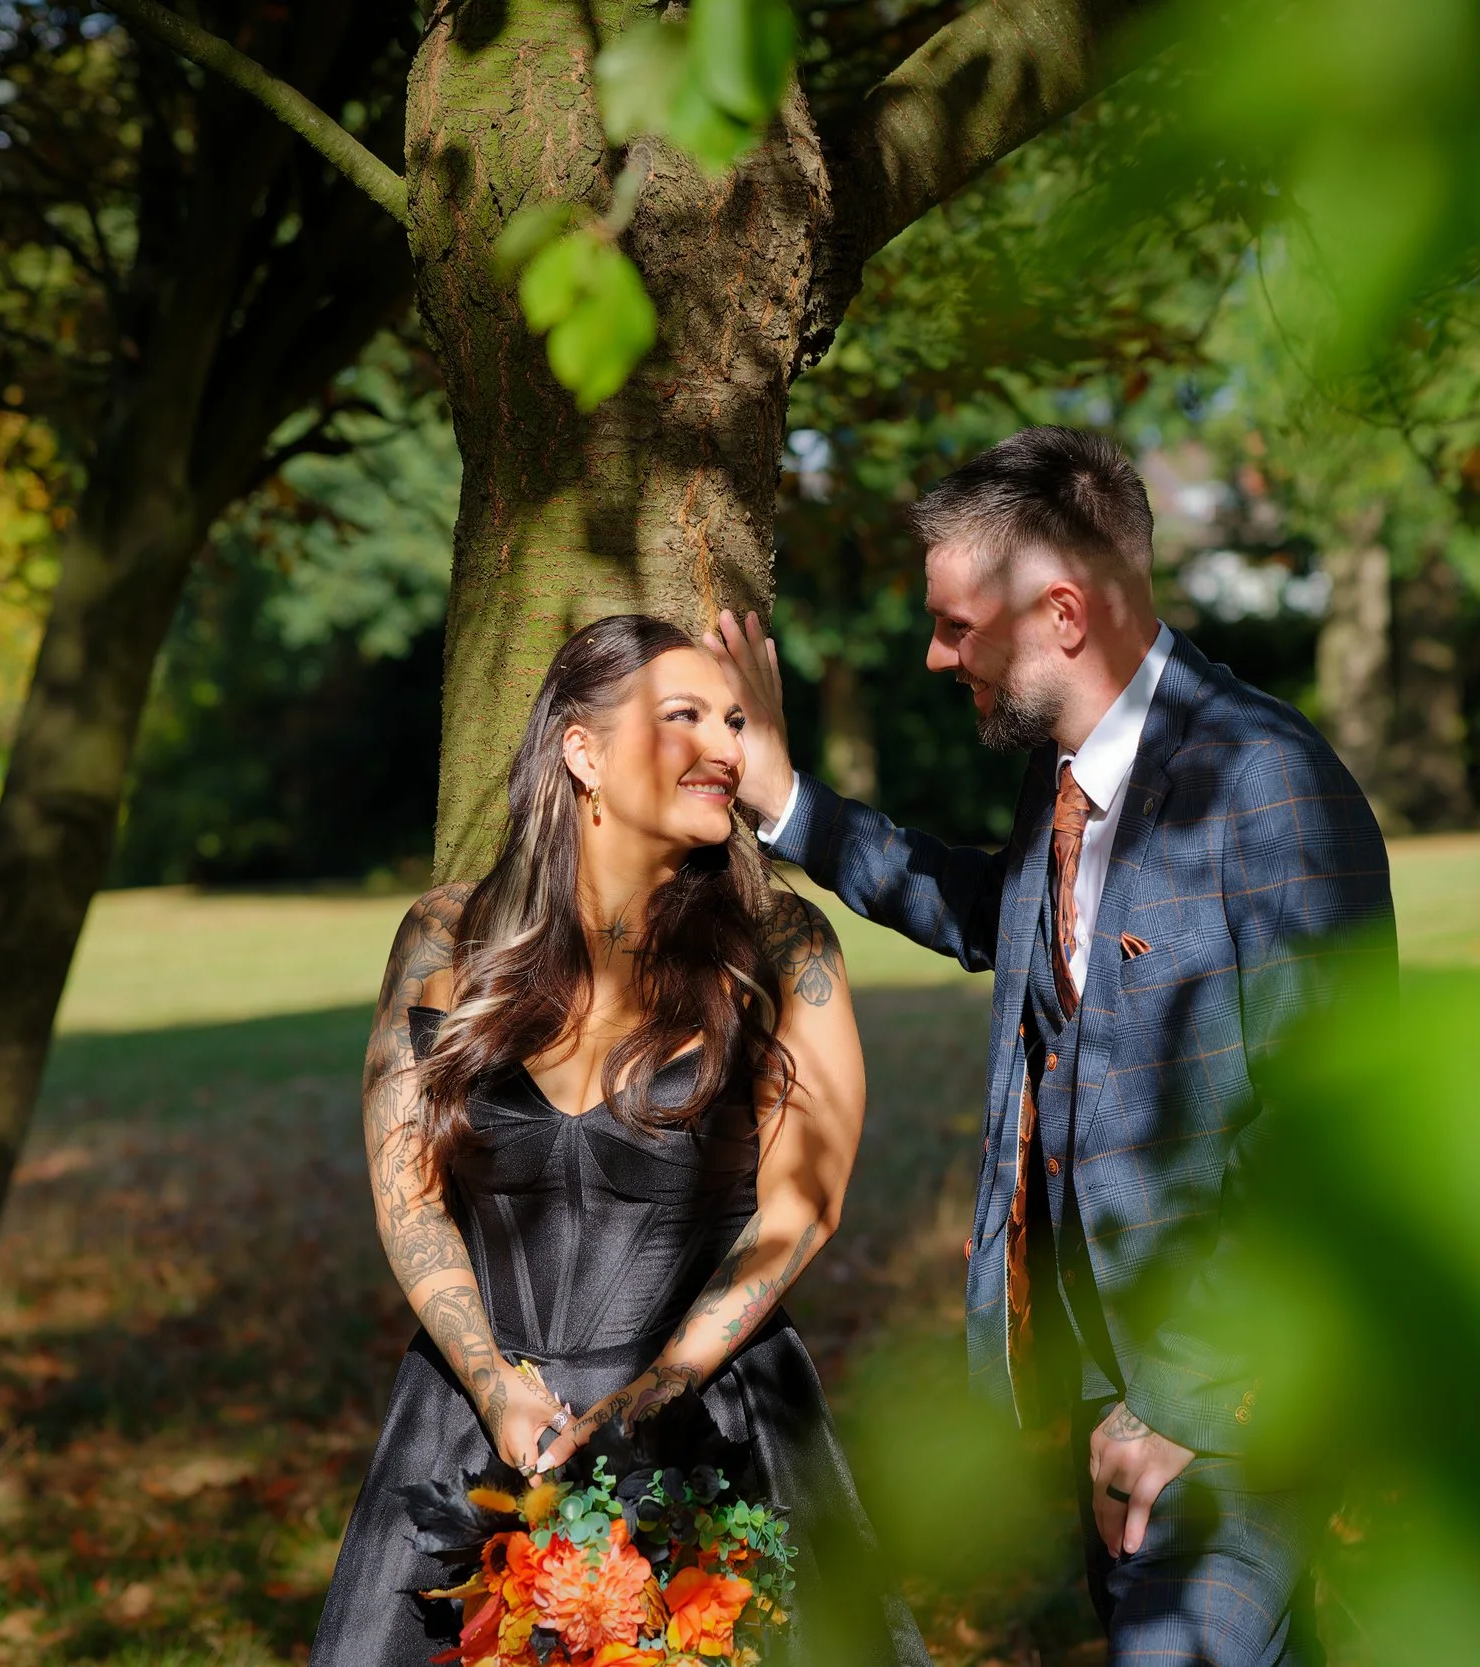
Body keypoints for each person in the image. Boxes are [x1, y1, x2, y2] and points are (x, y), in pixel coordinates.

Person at [707, 427, 1396, 1665]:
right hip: (1100, 1386)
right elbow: (999, 914)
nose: (934, 654)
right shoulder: (1067, 776)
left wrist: (1191, 1414)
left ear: (1062, 613)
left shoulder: (1269, 786)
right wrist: (785, 801)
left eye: (957, 625)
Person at [312, 615, 928, 1667]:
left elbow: (801, 1203)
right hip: (470, 1423)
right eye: (681, 716)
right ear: (581, 750)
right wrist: (493, 1378)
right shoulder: (444, 938)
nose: (724, 746)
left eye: (733, 719)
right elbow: (407, 1192)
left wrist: (667, 1380)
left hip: (710, 1420)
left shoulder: (782, 946)